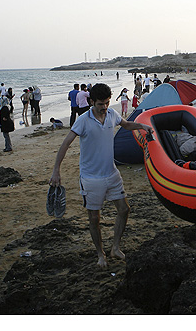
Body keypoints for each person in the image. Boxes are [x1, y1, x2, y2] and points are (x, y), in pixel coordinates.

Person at [49, 83, 153, 268]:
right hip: (90, 178)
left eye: (106, 103)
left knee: (124, 209)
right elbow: (65, 145)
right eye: (100, 104)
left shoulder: (112, 115)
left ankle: (115, 248)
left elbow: (126, 124)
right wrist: (56, 170)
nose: (104, 107)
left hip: (112, 173)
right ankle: (100, 254)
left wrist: (142, 126)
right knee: (94, 218)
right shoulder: (83, 120)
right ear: (91, 102)